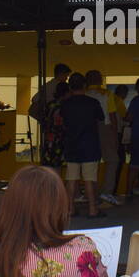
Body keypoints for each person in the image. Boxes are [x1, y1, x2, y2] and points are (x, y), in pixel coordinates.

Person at [59, 73, 107, 218]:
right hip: (89, 144)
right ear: (85, 85)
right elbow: (101, 118)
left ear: (70, 86)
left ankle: (70, 209)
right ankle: (93, 210)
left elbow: (63, 121)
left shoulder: (65, 104)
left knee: (71, 179)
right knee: (89, 178)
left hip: (71, 144)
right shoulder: (93, 103)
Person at [84, 71, 121, 206]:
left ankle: (91, 193)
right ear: (100, 80)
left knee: (91, 163)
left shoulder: (83, 94)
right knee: (112, 160)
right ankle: (107, 192)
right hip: (105, 128)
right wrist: (115, 134)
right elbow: (112, 115)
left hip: (87, 130)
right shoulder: (106, 94)